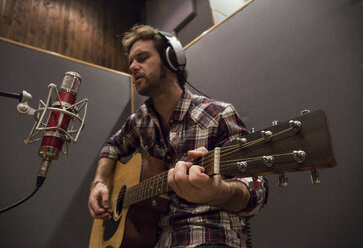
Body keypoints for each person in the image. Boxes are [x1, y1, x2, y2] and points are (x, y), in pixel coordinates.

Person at [88, 24, 268, 248]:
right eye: (131, 62)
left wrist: (219, 191)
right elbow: (111, 147)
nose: (133, 67)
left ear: (171, 60)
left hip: (209, 233)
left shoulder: (218, 114)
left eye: (142, 58)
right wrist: (99, 183)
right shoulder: (140, 120)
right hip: (157, 238)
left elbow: (255, 189)